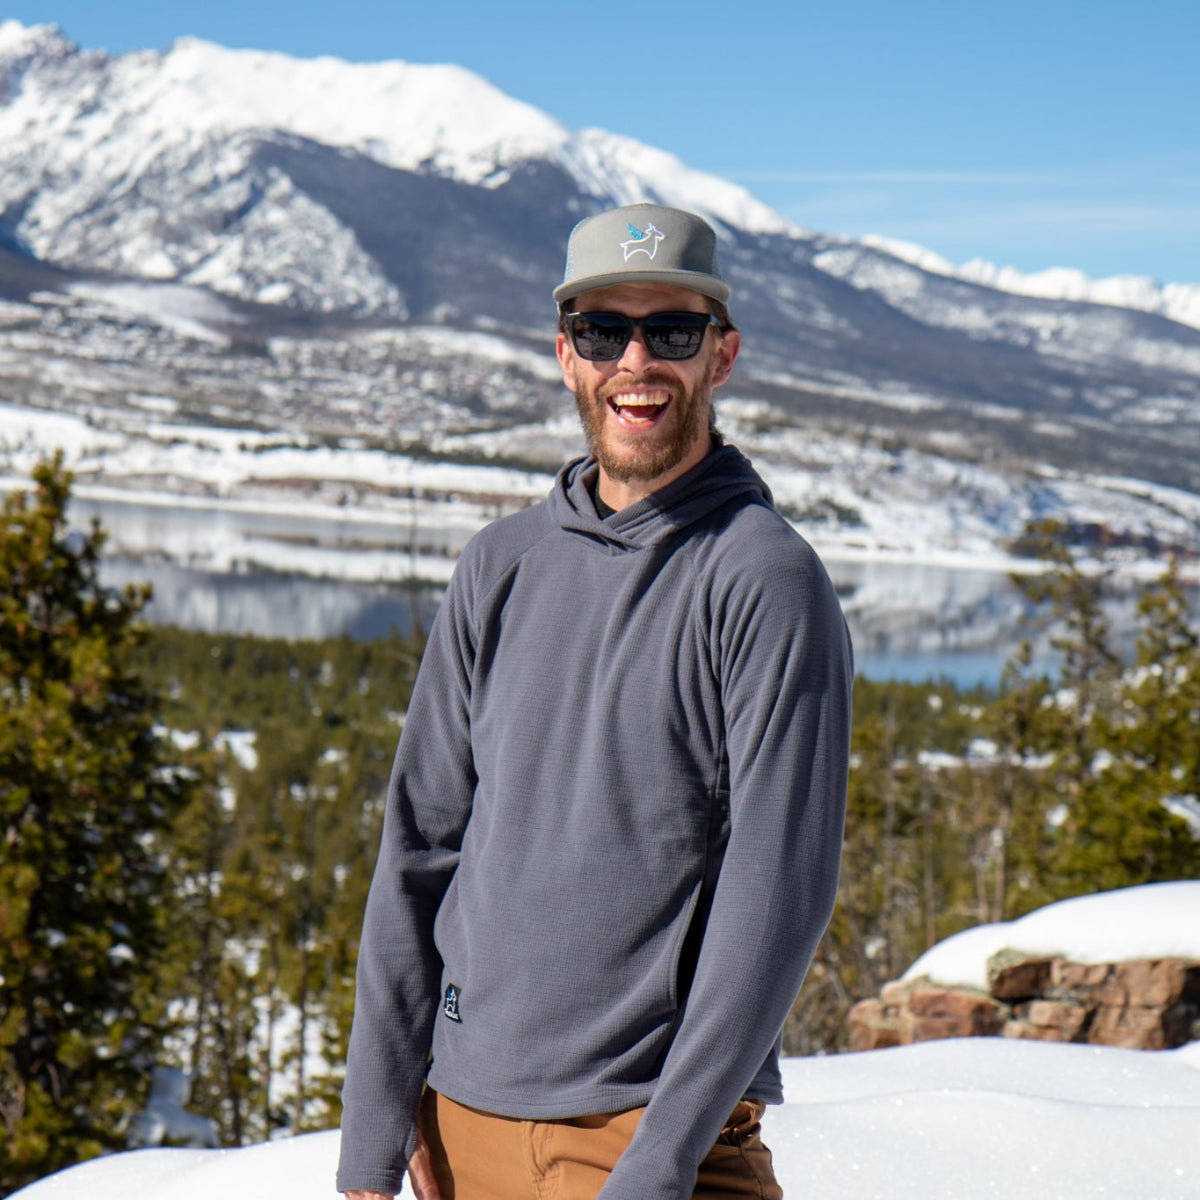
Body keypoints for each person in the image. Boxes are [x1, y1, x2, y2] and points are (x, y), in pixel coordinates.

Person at [337, 202, 853, 1200]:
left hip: (647, 1137)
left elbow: (778, 895)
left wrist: (659, 1162)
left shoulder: (762, 578)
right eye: (604, 330)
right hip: (459, 1126)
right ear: (566, 354)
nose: (636, 362)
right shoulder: (499, 565)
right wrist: (377, 1121)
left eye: (673, 332)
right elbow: (419, 849)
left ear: (722, 354)